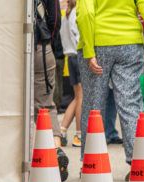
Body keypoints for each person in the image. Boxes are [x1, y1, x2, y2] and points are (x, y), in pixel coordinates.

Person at [76, 0, 144, 169]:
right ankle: (138, 165)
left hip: (98, 42)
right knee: (131, 105)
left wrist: (89, 51)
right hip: (130, 42)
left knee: (93, 105)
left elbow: (85, 13)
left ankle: (91, 164)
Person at [33, 0, 70, 182]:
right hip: (40, 44)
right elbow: (55, 18)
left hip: (9, 48)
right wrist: (48, 39)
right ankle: (55, 152)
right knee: (45, 105)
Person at [59, 0, 83, 148]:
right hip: (78, 55)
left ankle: (63, 130)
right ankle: (79, 135)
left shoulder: (66, 16)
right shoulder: (76, 13)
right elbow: (78, 37)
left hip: (69, 57)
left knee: (77, 97)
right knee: (82, 97)